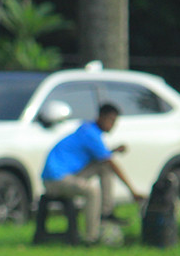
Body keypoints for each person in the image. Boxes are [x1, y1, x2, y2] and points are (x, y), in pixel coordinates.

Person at [41, 103, 146, 244]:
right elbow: (112, 163)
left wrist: (113, 151)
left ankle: (106, 213)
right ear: (100, 117)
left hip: (68, 175)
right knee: (93, 191)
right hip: (55, 181)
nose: (112, 125)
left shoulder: (88, 129)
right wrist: (132, 191)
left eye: (114, 122)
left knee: (104, 167)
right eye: (110, 121)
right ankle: (91, 238)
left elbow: (103, 158)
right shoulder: (91, 134)